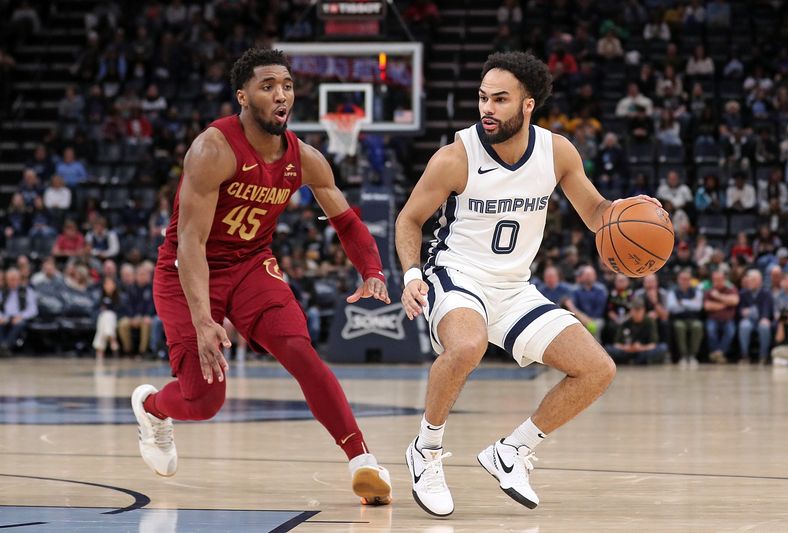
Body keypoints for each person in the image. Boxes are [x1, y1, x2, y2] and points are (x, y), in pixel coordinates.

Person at [395, 51, 659, 516]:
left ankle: (511, 451)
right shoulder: (455, 158)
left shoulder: (557, 152)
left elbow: (597, 214)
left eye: (500, 99)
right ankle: (426, 450)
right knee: (467, 345)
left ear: (528, 104)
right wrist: (412, 275)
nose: (487, 109)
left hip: (516, 289)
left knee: (598, 369)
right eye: (482, 98)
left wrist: (626, 212)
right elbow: (409, 219)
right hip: (457, 275)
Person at [130, 48, 392, 506]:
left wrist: (371, 269)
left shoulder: (304, 157)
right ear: (243, 96)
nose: (281, 94)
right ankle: (152, 408)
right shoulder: (213, 149)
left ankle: (362, 460)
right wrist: (202, 320)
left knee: (299, 351)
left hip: (252, 264)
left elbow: (347, 221)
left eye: (287, 86)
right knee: (204, 401)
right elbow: (190, 244)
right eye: (268, 86)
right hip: (189, 272)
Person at [605, 297, 667, 365]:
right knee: (608, 348)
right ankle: (635, 360)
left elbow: (653, 344)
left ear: (643, 310)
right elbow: (616, 344)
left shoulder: (650, 322)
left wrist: (641, 348)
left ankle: (639, 360)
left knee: (663, 348)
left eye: (639, 310)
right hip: (627, 351)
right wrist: (627, 347)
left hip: (643, 351)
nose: (637, 313)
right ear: (631, 310)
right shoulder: (625, 322)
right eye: (635, 310)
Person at [666, 269, 704, 365]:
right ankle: (683, 355)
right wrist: (690, 303)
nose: (684, 281)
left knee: (697, 326)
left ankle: (692, 355)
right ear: (678, 280)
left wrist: (682, 302)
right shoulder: (672, 291)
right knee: (679, 327)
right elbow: (671, 307)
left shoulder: (697, 291)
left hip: (693, 319)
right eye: (682, 279)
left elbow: (698, 307)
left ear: (690, 280)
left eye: (687, 279)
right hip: (678, 319)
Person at [704, 269, 740, 363]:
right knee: (711, 330)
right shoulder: (709, 290)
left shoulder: (731, 288)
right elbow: (707, 306)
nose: (717, 281)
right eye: (715, 279)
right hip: (713, 319)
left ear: (724, 279)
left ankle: (718, 353)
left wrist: (718, 297)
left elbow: (735, 301)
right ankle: (718, 354)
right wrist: (726, 303)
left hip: (728, 319)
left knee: (730, 331)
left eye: (719, 279)